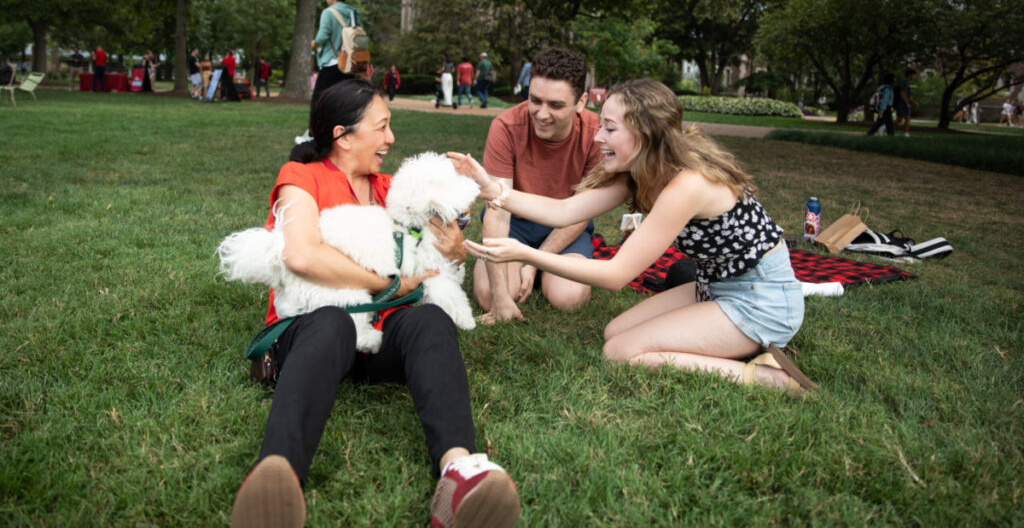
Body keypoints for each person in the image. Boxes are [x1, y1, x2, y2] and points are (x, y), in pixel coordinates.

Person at [228, 79, 520, 528]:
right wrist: (388, 284)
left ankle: (458, 472)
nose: (391, 139)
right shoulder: (300, 177)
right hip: (315, 332)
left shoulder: (391, 189)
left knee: (430, 320)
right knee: (332, 324)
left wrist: (455, 246)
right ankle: (278, 477)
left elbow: (442, 248)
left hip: (380, 337)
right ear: (343, 136)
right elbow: (302, 255)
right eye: (382, 127)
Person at [452, 77, 816, 394]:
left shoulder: (687, 184)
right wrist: (492, 189)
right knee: (615, 332)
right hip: (714, 287)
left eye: (610, 128)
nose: (598, 137)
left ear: (644, 133)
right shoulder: (643, 172)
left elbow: (616, 275)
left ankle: (769, 378)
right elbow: (565, 211)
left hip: (761, 302)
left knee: (621, 353)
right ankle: (735, 343)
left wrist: (526, 255)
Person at [472, 47, 602, 322]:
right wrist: (499, 298)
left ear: (581, 102)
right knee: (487, 295)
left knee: (569, 299)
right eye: (535, 100)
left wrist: (533, 262)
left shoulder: (597, 134)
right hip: (514, 226)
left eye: (555, 105)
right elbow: (497, 210)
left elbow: (582, 211)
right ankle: (521, 270)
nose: (542, 114)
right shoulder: (505, 126)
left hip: (566, 228)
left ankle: (538, 270)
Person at [310, 0, 360, 110]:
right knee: (343, 102)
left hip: (332, 62)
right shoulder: (353, 13)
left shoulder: (328, 12)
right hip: (350, 64)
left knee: (319, 100)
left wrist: (314, 43)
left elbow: (322, 37)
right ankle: (342, 129)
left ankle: (314, 130)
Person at [894, 68, 917, 137]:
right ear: (909, 75)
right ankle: (906, 133)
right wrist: (906, 103)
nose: (914, 76)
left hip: (903, 102)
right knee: (903, 118)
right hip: (901, 103)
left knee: (902, 119)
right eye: (914, 75)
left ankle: (906, 133)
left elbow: (907, 95)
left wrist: (914, 102)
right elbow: (902, 93)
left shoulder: (906, 82)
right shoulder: (904, 82)